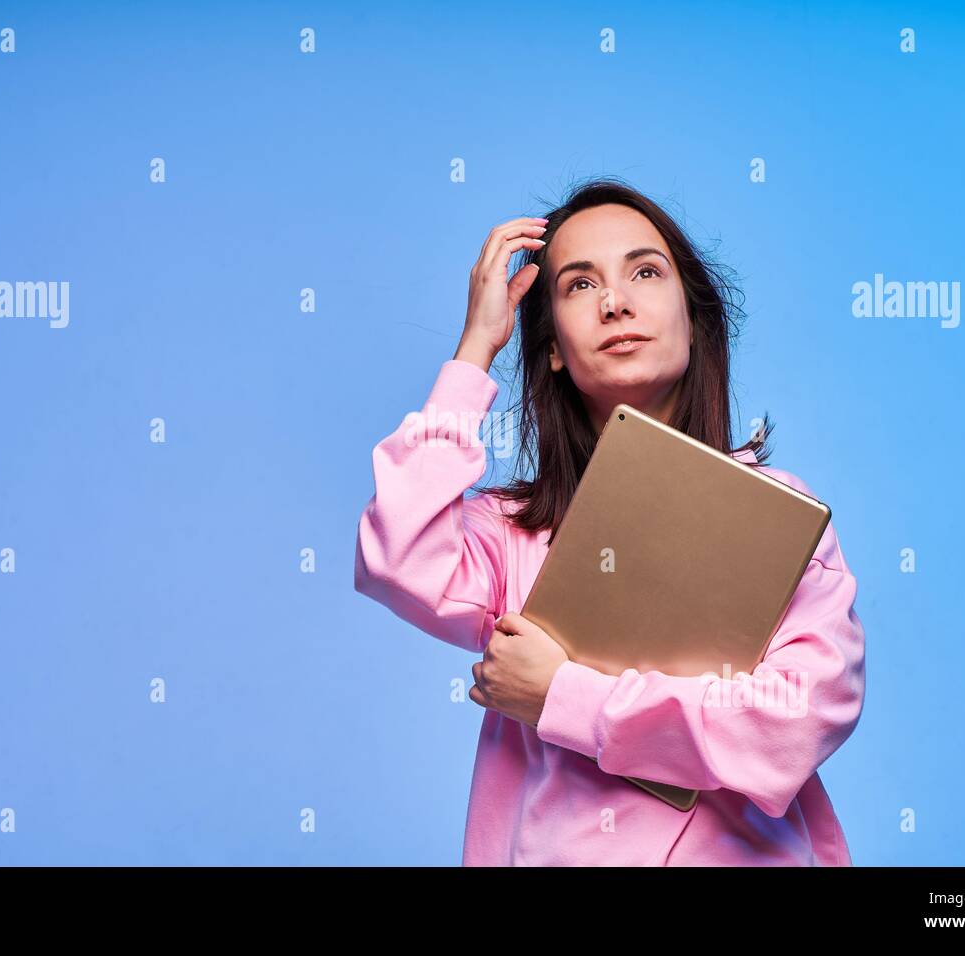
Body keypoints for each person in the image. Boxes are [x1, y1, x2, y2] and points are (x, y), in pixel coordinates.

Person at [353, 177, 866, 866]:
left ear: (694, 315)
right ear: (554, 348)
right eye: (579, 285)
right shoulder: (511, 535)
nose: (616, 301)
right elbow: (396, 558)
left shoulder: (781, 519)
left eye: (645, 272)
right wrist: (475, 349)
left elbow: (795, 724)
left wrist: (565, 697)